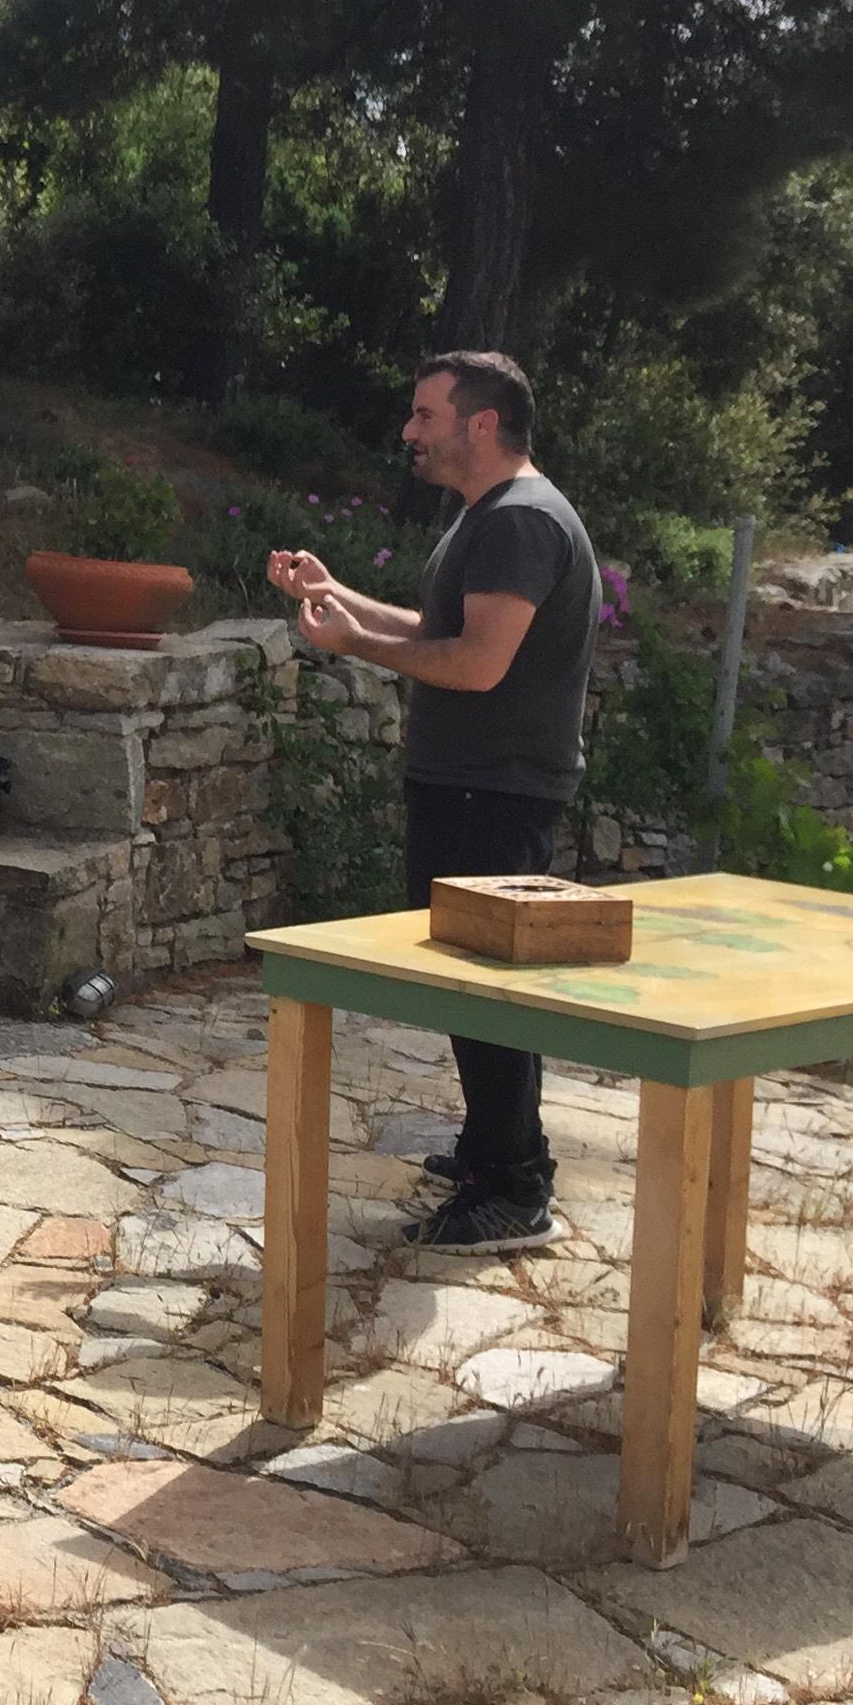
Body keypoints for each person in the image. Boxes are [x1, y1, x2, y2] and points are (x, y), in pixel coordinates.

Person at [274, 350, 600, 1254]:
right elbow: (444, 631)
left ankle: (516, 1186)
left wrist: (355, 647)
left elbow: (477, 665)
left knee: (486, 987)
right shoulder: (489, 518)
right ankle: (495, 1146)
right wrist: (334, 595)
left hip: (495, 789)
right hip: (472, 782)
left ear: (481, 424)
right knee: (471, 979)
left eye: (425, 415)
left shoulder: (521, 523)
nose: (410, 433)